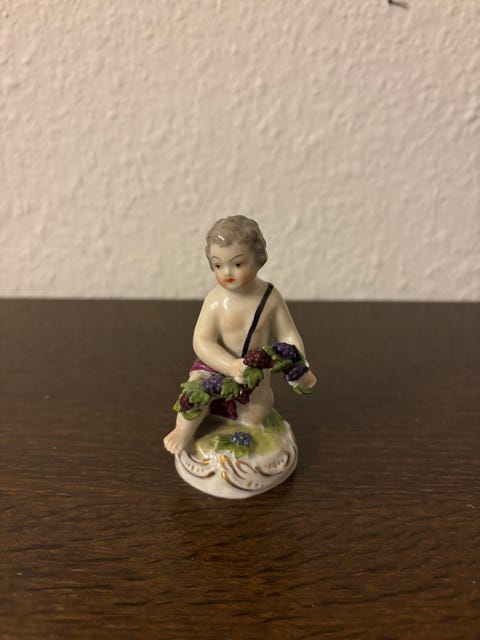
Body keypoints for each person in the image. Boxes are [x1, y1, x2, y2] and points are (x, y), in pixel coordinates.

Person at [163, 215, 317, 455]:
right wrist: (229, 365)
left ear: (258, 259)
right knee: (194, 395)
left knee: (256, 415)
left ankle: (244, 423)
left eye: (237, 264)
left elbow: (287, 334)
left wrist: (299, 364)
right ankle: (183, 431)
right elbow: (202, 341)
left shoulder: (270, 298)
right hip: (215, 366)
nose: (227, 272)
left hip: (253, 374)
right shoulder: (215, 301)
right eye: (218, 265)